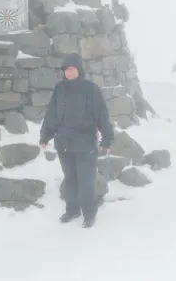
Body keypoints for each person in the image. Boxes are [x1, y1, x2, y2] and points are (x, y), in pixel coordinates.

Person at [39, 53, 115, 228]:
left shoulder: (91, 89)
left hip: (85, 143)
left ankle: (89, 213)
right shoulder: (60, 89)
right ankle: (72, 210)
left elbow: (102, 115)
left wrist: (107, 139)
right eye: (66, 70)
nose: (69, 73)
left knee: (86, 181)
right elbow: (51, 115)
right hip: (64, 143)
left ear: (79, 70)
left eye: (72, 69)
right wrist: (46, 135)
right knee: (70, 179)